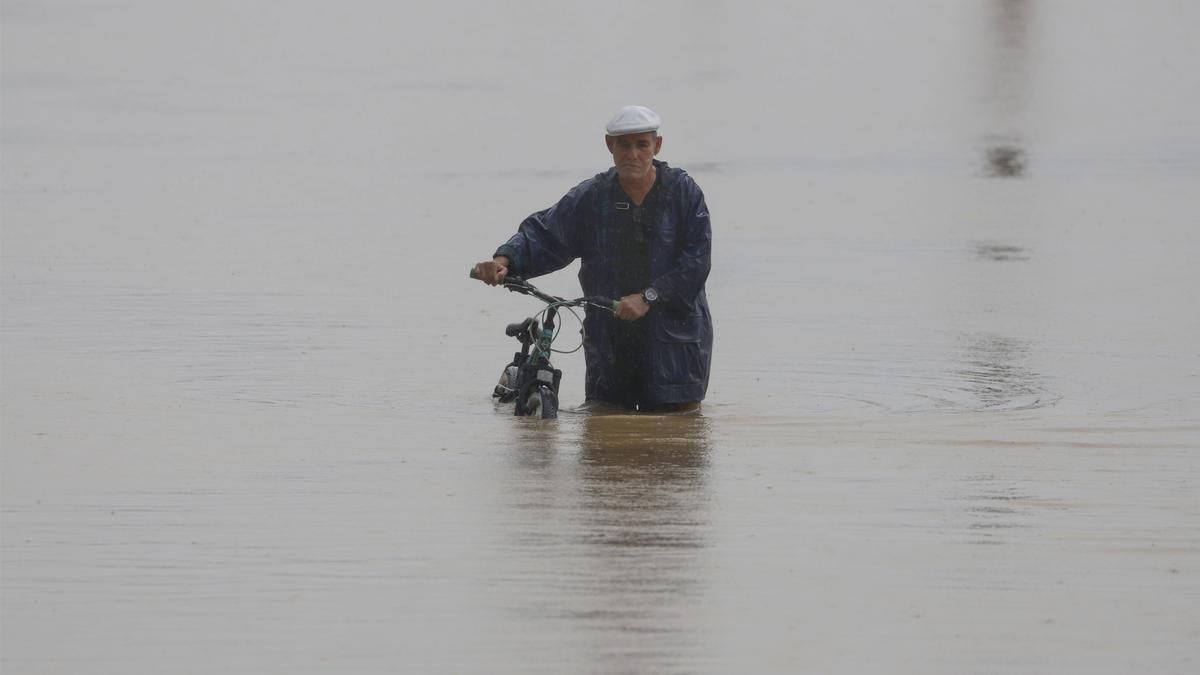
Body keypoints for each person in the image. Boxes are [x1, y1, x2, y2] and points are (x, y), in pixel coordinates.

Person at [472, 105, 713, 412]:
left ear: (657, 146)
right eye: (624, 145)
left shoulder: (684, 194)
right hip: (609, 342)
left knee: (676, 437)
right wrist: (504, 260)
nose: (633, 154)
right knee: (603, 432)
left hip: (675, 346)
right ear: (610, 146)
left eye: (642, 145)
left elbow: (696, 262)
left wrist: (648, 297)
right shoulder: (593, 197)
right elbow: (545, 233)